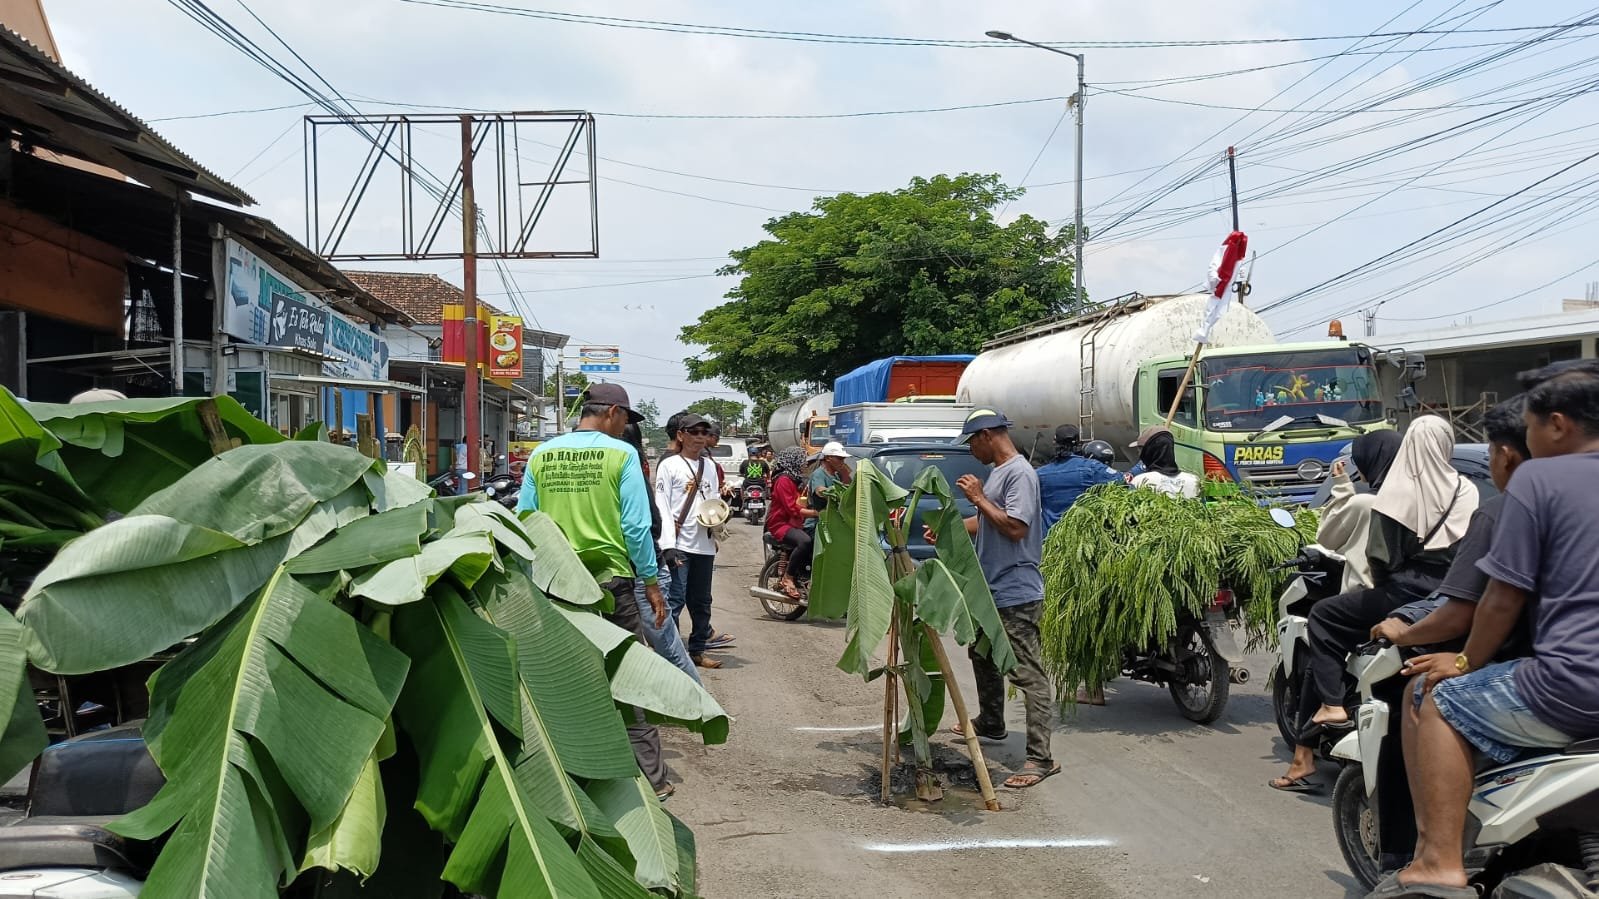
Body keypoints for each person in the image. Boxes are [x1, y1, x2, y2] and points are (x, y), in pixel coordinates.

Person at [1384, 361, 1599, 897]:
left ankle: (1437, 861)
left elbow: (1501, 597)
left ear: (1557, 425)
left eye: (1528, 427)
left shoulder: (1536, 479)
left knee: (1429, 696)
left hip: (1572, 687)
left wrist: (1463, 662)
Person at [1357, 397, 1530, 868]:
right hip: (1449, 596)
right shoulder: (1470, 492)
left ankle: (1432, 858)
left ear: (1507, 454)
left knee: (1419, 693)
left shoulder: (1504, 511)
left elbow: (1474, 610)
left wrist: (1460, 658)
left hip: (1512, 654)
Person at [1271, 415, 1477, 792]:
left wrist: (1339, 485)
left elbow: (1372, 557)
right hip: (1455, 593)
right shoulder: (1465, 489)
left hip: (1402, 596)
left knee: (1323, 623)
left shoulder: (1386, 497)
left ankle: (1319, 731)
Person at [516, 384, 674, 797]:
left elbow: (525, 519)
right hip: (610, 583)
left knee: (564, 675)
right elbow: (637, 529)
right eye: (626, 420)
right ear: (612, 413)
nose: (625, 428)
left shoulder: (542, 454)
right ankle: (652, 778)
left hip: (555, 583)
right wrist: (652, 582)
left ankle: (568, 769)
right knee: (627, 673)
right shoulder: (622, 456)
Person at [935, 408, 1058, 789]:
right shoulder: (1000, 473)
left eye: (972, 441)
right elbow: (988, 520)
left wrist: (976, 496)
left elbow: (1016, 528)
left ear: (988, 435)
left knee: (1026, 673)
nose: (971, 450)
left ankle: (1041, 758)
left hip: (1015, 589)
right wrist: (948, 529)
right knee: (982, 654)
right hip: (991, 588)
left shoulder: (1019, 473)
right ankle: (991, 721)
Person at [621, 422, 702, 685]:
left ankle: (699, 704)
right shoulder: (635, 465)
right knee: (662, 640)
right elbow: (650, 521)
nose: (701, 438)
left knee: (665, 639)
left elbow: (643, 525)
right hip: (643, 567)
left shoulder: (629, 467)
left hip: (645, 566)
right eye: (695, 432)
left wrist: (652, 573)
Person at [656, 413, 732, 669]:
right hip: (679, 543)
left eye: (703, 432)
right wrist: (667, 544)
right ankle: (674, 654)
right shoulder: (669, 465)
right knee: (676, 599)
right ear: (681, 435)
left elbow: (710, 504)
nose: (700, 437)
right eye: (694, 432)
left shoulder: (709, 466)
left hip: (704, 543)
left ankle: (698, 649)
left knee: (702, 600)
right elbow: (662, 506)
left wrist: (717, 530)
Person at [1319, 430, 1404, 593]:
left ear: (1374, 458)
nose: (1357, 465)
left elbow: (1326, 537)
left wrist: (1342, 486)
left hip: (1364, 597)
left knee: (1320, 613)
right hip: (1407, 595)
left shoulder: (1364, 504)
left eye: (1359, 459)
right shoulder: (1416, 500)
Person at [1036, 424, 1123, 530]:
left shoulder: (1040, 474)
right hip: (1082, 540)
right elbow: (1123, 483)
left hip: (1048, 540)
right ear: (1078, 443)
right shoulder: (1092, 468)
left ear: (1055, 442)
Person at [766, 447, 815, 599]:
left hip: (795, 523)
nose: (804, 464)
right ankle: (788, 577)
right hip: (780, 524)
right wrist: (814, 513)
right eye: (802, 461)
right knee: (805, 541)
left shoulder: (796, 480)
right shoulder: (783, 480)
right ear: (793, 461)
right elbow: (791, 507)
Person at [1128, 426, 1200, 499]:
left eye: (1140, 450)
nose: (1139, 454)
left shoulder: (1140, 482)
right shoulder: (1194, 482)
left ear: (1148, 452)